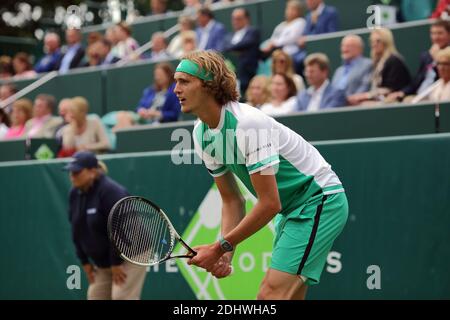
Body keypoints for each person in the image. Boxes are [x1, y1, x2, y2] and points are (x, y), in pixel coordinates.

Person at [174, 51, 348, 300]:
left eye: (184, 81)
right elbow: (232, 200)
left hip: (319, 200)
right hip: (291, 211)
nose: (175, 89)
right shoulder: (200, 133)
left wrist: (220, 246)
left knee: (269, 297)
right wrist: (226, 252)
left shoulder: (247, 124)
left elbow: (269, 203)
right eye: (175, 81)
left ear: (209, 85)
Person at [63, 151, 147, 299]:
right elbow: (76, 229)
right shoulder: (74, 194)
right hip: (104, 260)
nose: (72, 176)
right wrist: (84, 261)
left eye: (77, 172)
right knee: (95, 296)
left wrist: (115, 263)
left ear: (92, 172)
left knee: (121, 296)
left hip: (131, 253)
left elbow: (121, 230)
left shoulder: (112, 192)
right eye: (71, 172)